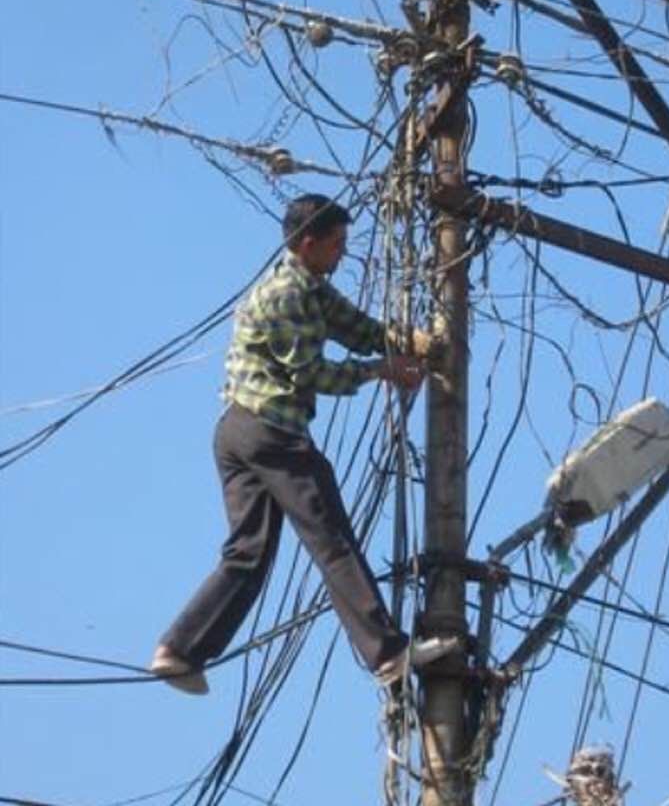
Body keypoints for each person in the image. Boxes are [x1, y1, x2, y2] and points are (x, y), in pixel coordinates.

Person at [150, 194, 460, 694]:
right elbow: (310, 373)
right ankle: (386, 652)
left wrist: (412, 344)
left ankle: (180, 650)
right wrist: (382, 370)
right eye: (336, 244)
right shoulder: (285, 295)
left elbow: (358, 329)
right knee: (330, 536)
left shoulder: (312, 289)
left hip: (239, 431)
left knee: (248, 554)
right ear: (308, 243)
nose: (342, 254)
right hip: (268, 428)